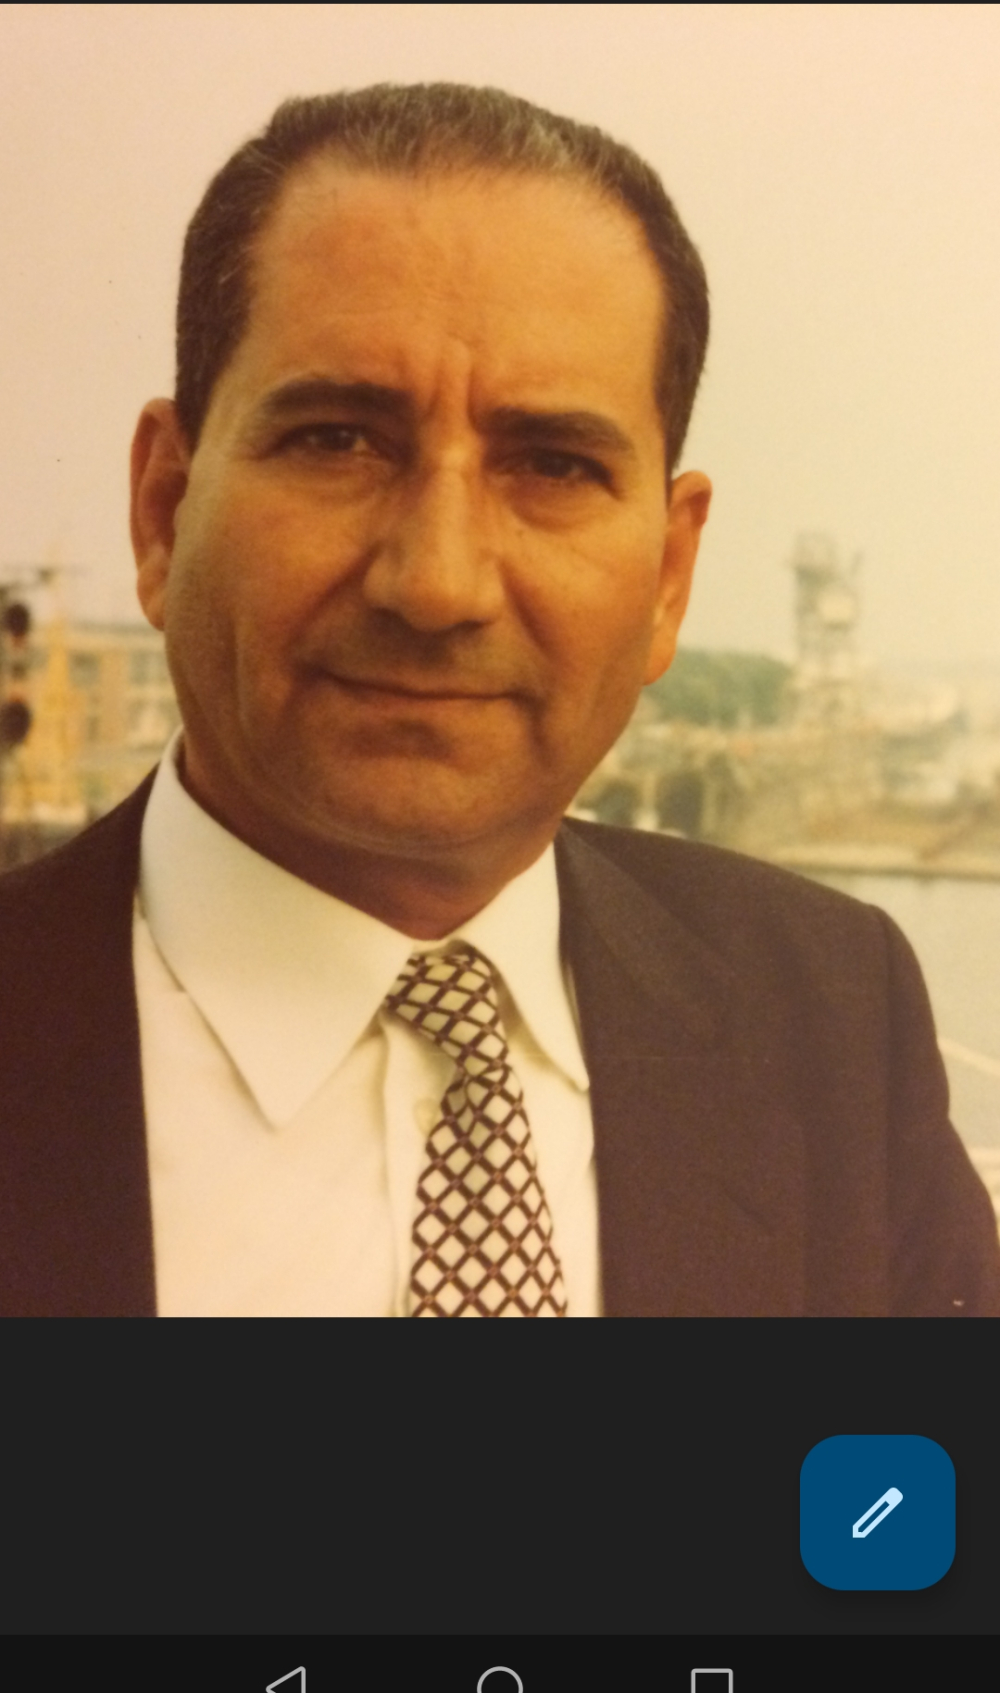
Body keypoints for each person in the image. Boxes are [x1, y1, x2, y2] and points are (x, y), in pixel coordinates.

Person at [2, 83, 998, 1318]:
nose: (437, 583)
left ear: (668, 577)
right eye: (338, 441)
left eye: (553, 466)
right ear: (163, 510)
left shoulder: (832, 1014)